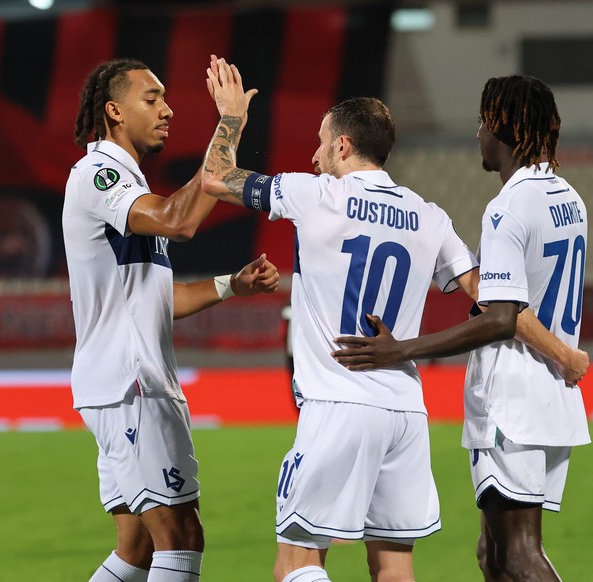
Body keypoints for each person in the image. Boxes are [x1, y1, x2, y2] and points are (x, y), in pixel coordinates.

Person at [200, 60, 483, 582]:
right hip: (405, 411)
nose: (313, 154)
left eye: (320, 142)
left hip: (337, 403)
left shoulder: (317, 194)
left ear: (344, 147)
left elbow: (215, 179)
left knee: (297, 562)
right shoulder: (430, 215)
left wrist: (232, 117)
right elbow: (486, 299)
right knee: (395, 569)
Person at [333, 75, 591, 582]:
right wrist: (563, 354)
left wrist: (399, 349)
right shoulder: (569, 198)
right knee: (493, 555)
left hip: (512, 399)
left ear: (502, 128)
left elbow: (499, 318)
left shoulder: (507, 208)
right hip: (549, 395)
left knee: (517, 553)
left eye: (482, 123)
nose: (477, 135)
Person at [64, 57, 280, 582]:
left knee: (135, 550)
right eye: (152, 99)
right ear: (114, 111)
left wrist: (233, 283)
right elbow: (179, 221)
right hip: (131, 385)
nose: (168, 109)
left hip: (119, 384)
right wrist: (228, 125)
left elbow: (156, 297)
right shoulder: (101, 174)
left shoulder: (126, 183)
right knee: (181, 538)